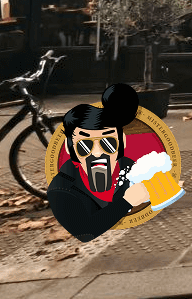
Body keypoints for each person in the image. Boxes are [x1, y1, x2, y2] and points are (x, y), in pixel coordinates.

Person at [48, 83, 149, 242]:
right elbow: (84, 232)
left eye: (107, 143)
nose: (97, 153)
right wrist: (126, 202)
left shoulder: (130, 168)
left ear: (121, 142)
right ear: (70, 149)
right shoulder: (61, 188)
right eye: (85, 145)